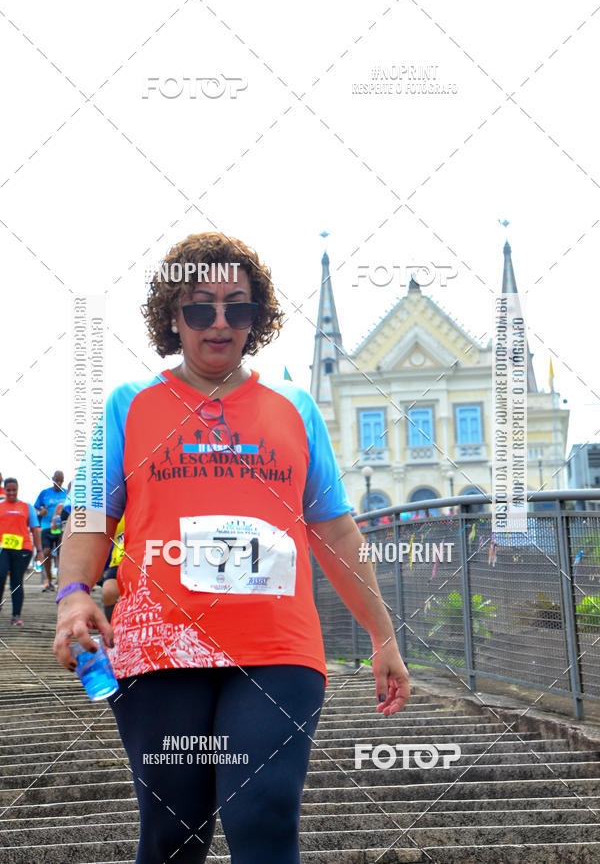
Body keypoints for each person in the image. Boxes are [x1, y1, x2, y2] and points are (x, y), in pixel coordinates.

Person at [53, 231, 410, 864]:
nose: (219, 324)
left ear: (257, 317)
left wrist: (383, 635)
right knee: (173, 834)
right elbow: (90, 518)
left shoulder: (296, 410)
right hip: (161, 647)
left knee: (264, 814)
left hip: (278, 648)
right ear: (173, 317)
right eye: (199, 307)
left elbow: (334, 531)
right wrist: (74, 597)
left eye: (236, 307)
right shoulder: (128, 407)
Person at [0, 478, 44, 624]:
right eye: (8, 490)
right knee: (1, 575)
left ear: (18, 490)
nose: (11, 493)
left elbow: (35, 529)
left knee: (16, 581)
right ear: (4, 490)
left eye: (14, 490)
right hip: (3, 548)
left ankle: (16, 615)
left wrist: (40, 551)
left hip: (23, 548)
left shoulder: (27, 507)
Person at [35, 471, 67, 591]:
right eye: (57, 480)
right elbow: (35, 509)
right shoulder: (45, 493)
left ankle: (61, 581)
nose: (58, 483)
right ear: (52, 479)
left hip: (61, 528)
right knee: (47, 552)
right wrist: (40, 513)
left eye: (61, 480)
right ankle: (49, 581)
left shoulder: (66, 494)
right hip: (47, 527)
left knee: (61, 554)